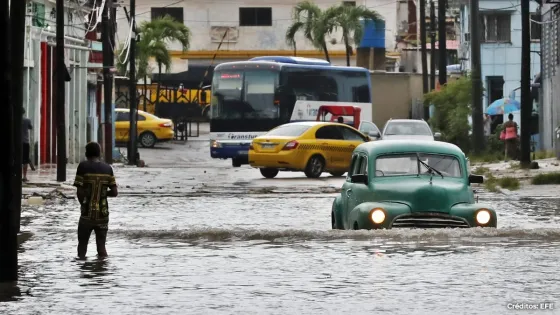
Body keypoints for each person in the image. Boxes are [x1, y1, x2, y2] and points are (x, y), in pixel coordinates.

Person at [73, 142, 118, 259]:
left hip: (87, 214)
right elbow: (114, 192)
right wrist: (102, 194)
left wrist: (84, 204)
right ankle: (102, 272)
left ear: (86, 153)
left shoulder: (82, 167)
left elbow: (79, 192)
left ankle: (82, 271)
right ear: (99, 153)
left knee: (82, 248)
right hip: (103, 214)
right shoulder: (108, 168)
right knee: (102, 248)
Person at [22, 109, 33, 182]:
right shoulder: (27, 120)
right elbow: (30, 127)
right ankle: (24, 176)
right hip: (25, 142)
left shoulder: (14, 120)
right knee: (25, 160)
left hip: (16, 143)